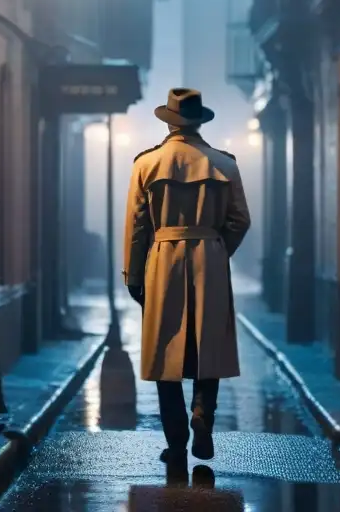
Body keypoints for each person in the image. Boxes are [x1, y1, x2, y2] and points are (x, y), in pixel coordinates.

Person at [122, 87, 251, 465]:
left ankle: (176, 438)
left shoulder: (147, 164)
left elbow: (136, 224)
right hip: (209, 257)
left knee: (166, 349)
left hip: (163, 257)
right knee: (207, 342)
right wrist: (217, 247)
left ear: (168, 120)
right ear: (198, 121)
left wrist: (134, 273)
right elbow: (241, 219)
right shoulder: (224, 164)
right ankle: (202, 415)